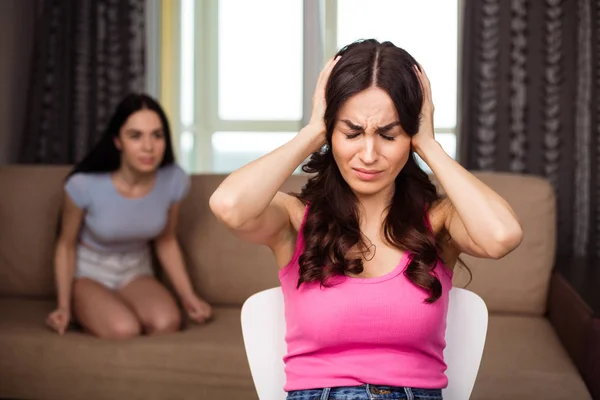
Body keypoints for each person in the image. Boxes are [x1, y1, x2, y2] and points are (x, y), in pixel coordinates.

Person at [210, 39, 524, 399]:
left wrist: (431, 146)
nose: (369, 154)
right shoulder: (296, 219)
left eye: (389, 135)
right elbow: (228, 205)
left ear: (411, 136)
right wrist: (312, 131)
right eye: (352, 132)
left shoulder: (439, 221)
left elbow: (502, 236)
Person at [46, 93, 212, 339]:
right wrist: (63, 306)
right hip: (89, 274)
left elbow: (166, 241)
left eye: (157, 135)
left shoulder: (174, 180)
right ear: (118, 141)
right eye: (136, 136)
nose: (148, 147)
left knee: (167, 322)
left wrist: (189, 297)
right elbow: (65, 245)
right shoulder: (82, 185)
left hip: (135, 271)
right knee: (124, 329)